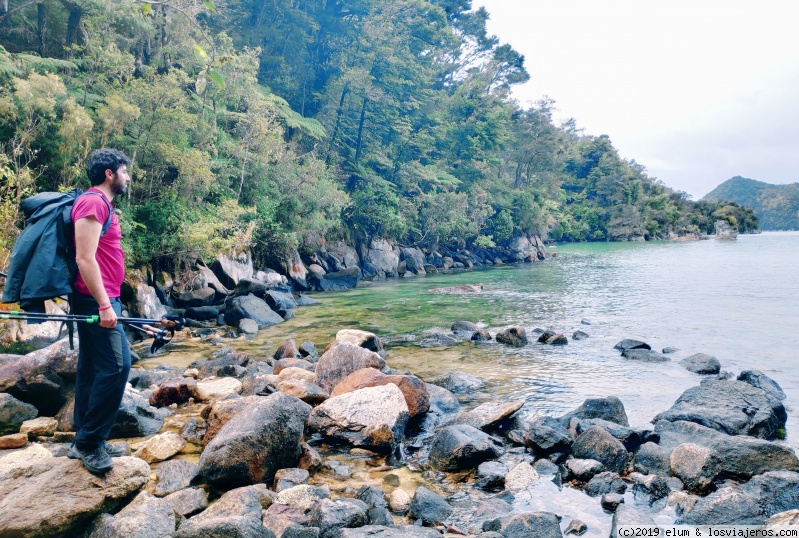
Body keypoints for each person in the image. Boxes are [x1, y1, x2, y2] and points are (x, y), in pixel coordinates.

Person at [67, 148, 132, 474]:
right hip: (96, 300)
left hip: (102, 298)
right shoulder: (93, 203)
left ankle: (85, 436)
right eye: (125, 171)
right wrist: (105, 304)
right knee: (118, 367)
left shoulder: (102, 205)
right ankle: (89, 443)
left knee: (93, 367)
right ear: (110, 173)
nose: (128, 177)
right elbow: (84, 258)